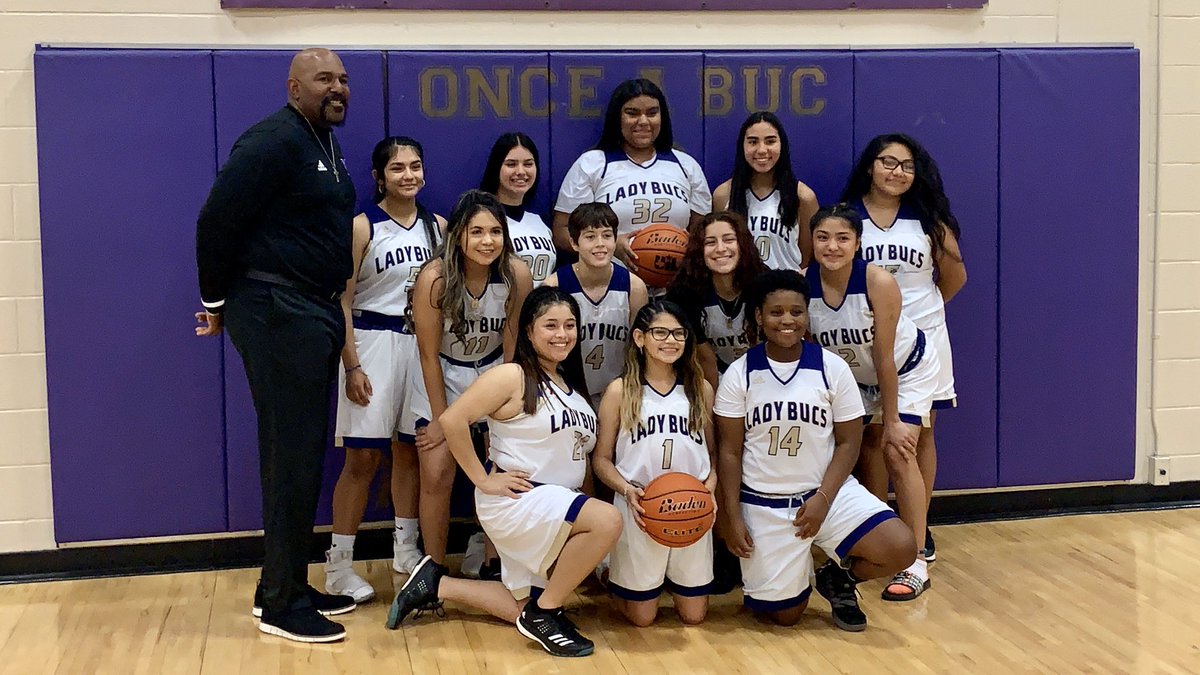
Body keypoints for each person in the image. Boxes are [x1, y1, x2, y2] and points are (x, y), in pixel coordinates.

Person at [194, 48, 357, 643]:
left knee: (304, 451)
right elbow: (215, 221)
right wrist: (218, 304)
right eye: (323, 79)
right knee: (292, 453)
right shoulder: (270, 141)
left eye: (342, 78)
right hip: (276, 307)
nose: (336, 87)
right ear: (294, 87)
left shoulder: (324, 142)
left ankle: (285, 582)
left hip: (309, 309)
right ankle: (281, 603)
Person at [386, 286, 623, 659]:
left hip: (557, 504)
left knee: (519, 607)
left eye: (569, 325)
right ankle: (545, 616)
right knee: (607, 520)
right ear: (528, 331)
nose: (562, 334)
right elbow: (452, 420)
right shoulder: (513, 375)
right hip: (520, 498)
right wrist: (482, 478)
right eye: (550, 325)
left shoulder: (573, 390)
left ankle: (437, 584)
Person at [715, 269, 915, 631]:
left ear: (807, 315)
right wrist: (731, 516)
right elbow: (728, 451)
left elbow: (849, 442)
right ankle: (795, 569)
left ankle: (837, 578)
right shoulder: (740, 374)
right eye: (776, 312)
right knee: (786, 617)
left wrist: (823, 498)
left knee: (901, 547)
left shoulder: (832, 368)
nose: (787, 320)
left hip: (827, 493)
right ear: (759, 317)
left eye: (796, 311)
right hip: (765, 502)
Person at [324, 136, 447, 604]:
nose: (409, 175)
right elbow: (342, 299)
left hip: (422, 344)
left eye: (416, 166)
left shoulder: (438, 228)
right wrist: (351, 363)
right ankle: (338, 567)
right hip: (372, 344)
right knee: (362, 460)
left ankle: (406, 552)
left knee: (411, 451)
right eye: (398, 168)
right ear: (380, 177)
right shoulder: (361, 227)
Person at [840, 133, 967, 562]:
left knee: (921, 434)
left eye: (907, 165)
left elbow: (955, 279)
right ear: (870, 167)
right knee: (873, 435)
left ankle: (920, 526)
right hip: (864, 342)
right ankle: (879, 525)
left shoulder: (930, 220)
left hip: (922, 341)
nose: (897, 171)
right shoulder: (848, 217)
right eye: (888, 162)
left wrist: (916, 316)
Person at [806, 204, 939, 600]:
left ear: (858, 243)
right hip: (855, 378)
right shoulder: (803, 283)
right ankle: (865, 540)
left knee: (898, 450)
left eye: (842, 238)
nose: (832, 246)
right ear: (811, 242)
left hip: (906, 367)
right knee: (849, 450)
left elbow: (884, 357)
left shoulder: (877, 281)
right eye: (823, 237)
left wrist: (893, 418)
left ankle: (915, 559)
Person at [407, 190, 533, 570]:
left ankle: (497, 562)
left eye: (495, 231)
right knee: (437, 469)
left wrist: (505, 415)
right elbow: (428, 354)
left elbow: (513, 343)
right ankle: (432, 569)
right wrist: (443, 421)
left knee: (502, 463)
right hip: (442, 372)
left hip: (493, 371)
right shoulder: (435, 278)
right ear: (458, 234)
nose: (487, 241)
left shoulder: (516, 273)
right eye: (476, 231)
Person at [592, 301, 717, 626]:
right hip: (641, 508)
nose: (670, 341)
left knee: (693, 617)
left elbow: (713, 456)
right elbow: (602, 460)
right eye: (660, 332)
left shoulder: (700, 389)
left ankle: (658, 578)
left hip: (691, 507)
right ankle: (610, 569)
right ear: (639, 337)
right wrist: (626, 489)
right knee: (642, 619)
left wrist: (710, 490)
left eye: (678, 333)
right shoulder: (621, 391)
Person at [553, 78, 712, 279]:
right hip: (611, 282)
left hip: (675, 286)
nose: (643, 121)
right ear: (617, 118)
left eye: (652, 113)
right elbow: (561, 231)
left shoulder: (685, 165)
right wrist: (608, 245)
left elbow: (703, 231)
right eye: (632, 113)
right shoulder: (592, 164)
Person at [544, 203, 648, 407]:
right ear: (574, 243)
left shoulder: (634, 287)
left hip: (619, 392)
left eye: (607, 235)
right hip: (567, 393)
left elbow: (640, 351)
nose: (600, 244)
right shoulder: (554, 286)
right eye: (590, 237)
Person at [666, 211, 768, 389]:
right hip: (713, 377)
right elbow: (705, 359)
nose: (720, 248)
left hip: (764, 374)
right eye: (710, 242)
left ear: (742, 244)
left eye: (729, 239)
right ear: (698, 250)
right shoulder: (683, 292)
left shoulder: (765, 281)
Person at [712, 111, 818, 271]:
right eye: (753, 142)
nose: (762, 150)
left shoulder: (803, 196)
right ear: (743, 146)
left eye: (770, 141)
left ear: (782, 144)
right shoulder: (723, 194)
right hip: (740, 290)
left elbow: (806, 258)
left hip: (785, 289)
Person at [480, 132, 557, 287]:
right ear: (496, 167)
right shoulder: (482, 219)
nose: (521, 172)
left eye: (528, 164)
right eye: (511, 164)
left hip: (540, 309)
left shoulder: (539, 223)